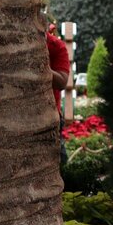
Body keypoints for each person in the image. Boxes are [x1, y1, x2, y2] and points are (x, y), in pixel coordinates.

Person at [46, 25, 71, 163]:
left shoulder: (56, 46)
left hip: (51, 115)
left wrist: (39, 66)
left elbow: (62, 81)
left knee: (58, 160)